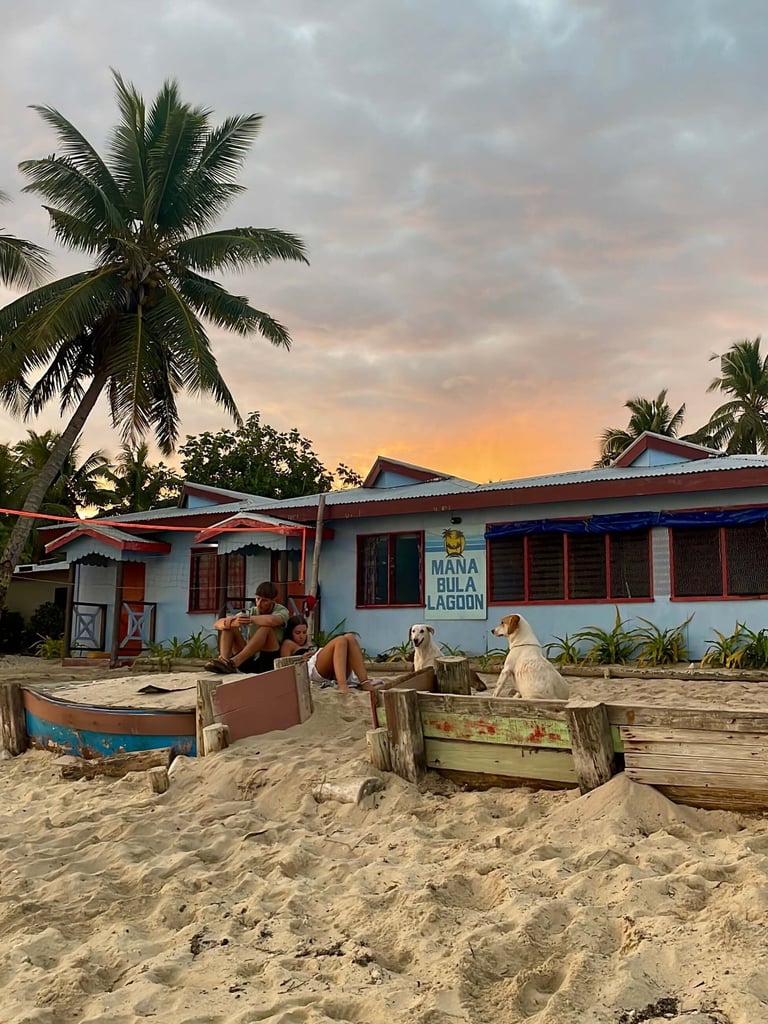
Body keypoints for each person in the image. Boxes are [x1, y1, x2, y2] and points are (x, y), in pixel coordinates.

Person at [205, 580, 289, 674]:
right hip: (250, 656)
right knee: (230, 626)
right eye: (257, 599)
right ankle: (224, 661)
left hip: (269, 658)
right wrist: (229, 621)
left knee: (266, 628)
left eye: (264, 600)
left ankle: (234, 662)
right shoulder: (252, 611)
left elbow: (271, 621)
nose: (259, 603)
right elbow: (217, 624)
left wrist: (250, 619)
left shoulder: (282, 610)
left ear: (273, 600)